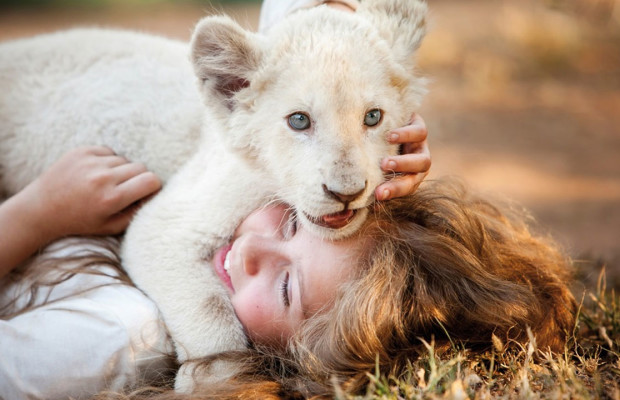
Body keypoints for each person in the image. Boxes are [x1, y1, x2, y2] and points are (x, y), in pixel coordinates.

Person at [96, 179, 577, 400]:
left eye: (286, 288)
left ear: (301, 361)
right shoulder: (211, 198)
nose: (248, 251)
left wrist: (33, 219)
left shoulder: (123, 336)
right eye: (290, 219)